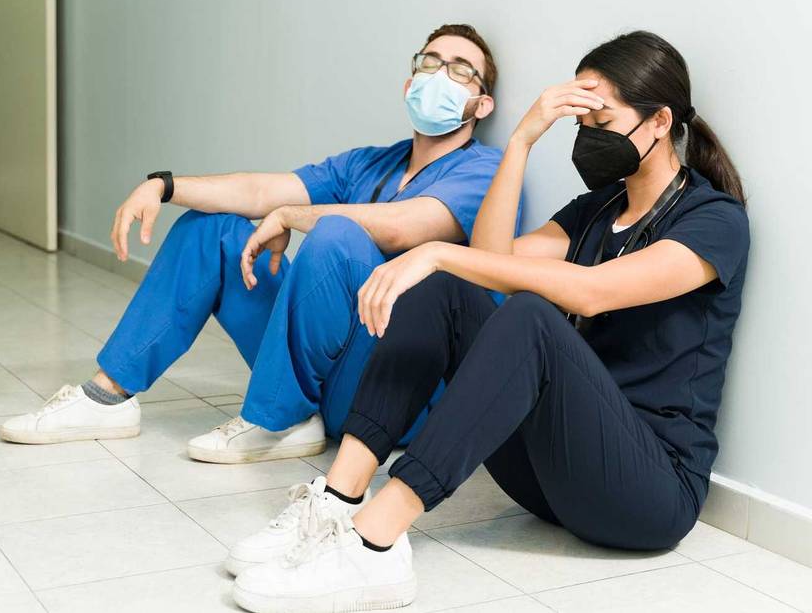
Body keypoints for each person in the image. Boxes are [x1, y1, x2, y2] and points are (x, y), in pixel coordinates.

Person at [228, 30, 751, 613]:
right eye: (579, 125)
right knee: (450, 287)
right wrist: (523, 140)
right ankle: (335, 502)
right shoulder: (598, 209)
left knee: (525, 312)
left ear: (658, 122)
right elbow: (489, 256)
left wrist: (434, 250)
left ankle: (374, 546)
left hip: (648, 493)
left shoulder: (714, 220)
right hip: (554, 479)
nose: (588, 138)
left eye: (600, 121)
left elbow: (595, 293)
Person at [0, 23, 509, 469]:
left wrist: (292, 217)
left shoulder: (484, 170)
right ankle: (107, 396)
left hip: (395, 390)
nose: (440, 74)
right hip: (329, 370)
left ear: (482, 103)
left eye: (461, 69)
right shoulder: (371, 163)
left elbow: (402, 227)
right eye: (430, 62)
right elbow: (260, 191)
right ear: (410, 81)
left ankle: (278, 419)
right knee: (213, 230)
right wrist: (162, 185)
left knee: (337, 233)